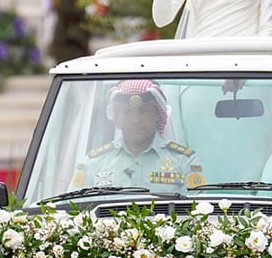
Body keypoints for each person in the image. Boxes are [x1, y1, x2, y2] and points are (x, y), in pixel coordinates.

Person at [73, 79, 206, 192]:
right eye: (127, 112)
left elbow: (198, 212)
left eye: (143, 111)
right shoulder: (94, 163)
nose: (135, 120)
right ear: (116, 118)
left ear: (158, 115)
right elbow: (73, 210)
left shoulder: (184, 161)